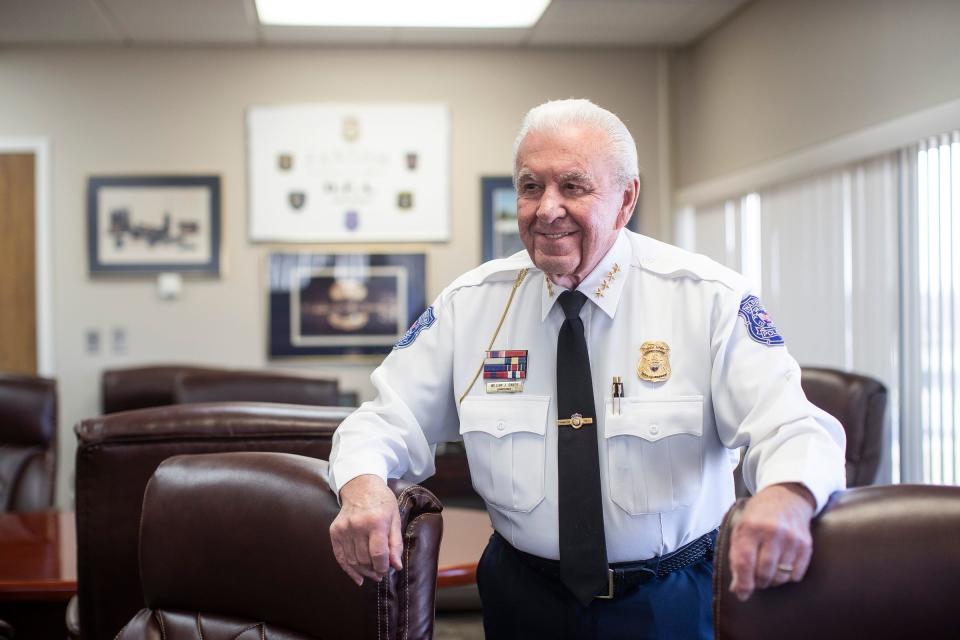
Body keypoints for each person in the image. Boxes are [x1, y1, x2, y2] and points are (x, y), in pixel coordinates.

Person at [328, 99, 846, 639]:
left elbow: (792, 426)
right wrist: (364, 486)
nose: (547, 208)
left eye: (573, 186)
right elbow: (382, 420)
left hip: (671, 599)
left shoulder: (707, 299)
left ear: (626, 199)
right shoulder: (471, 304)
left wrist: (786, 495)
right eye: (530, 187)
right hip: (521, 596)